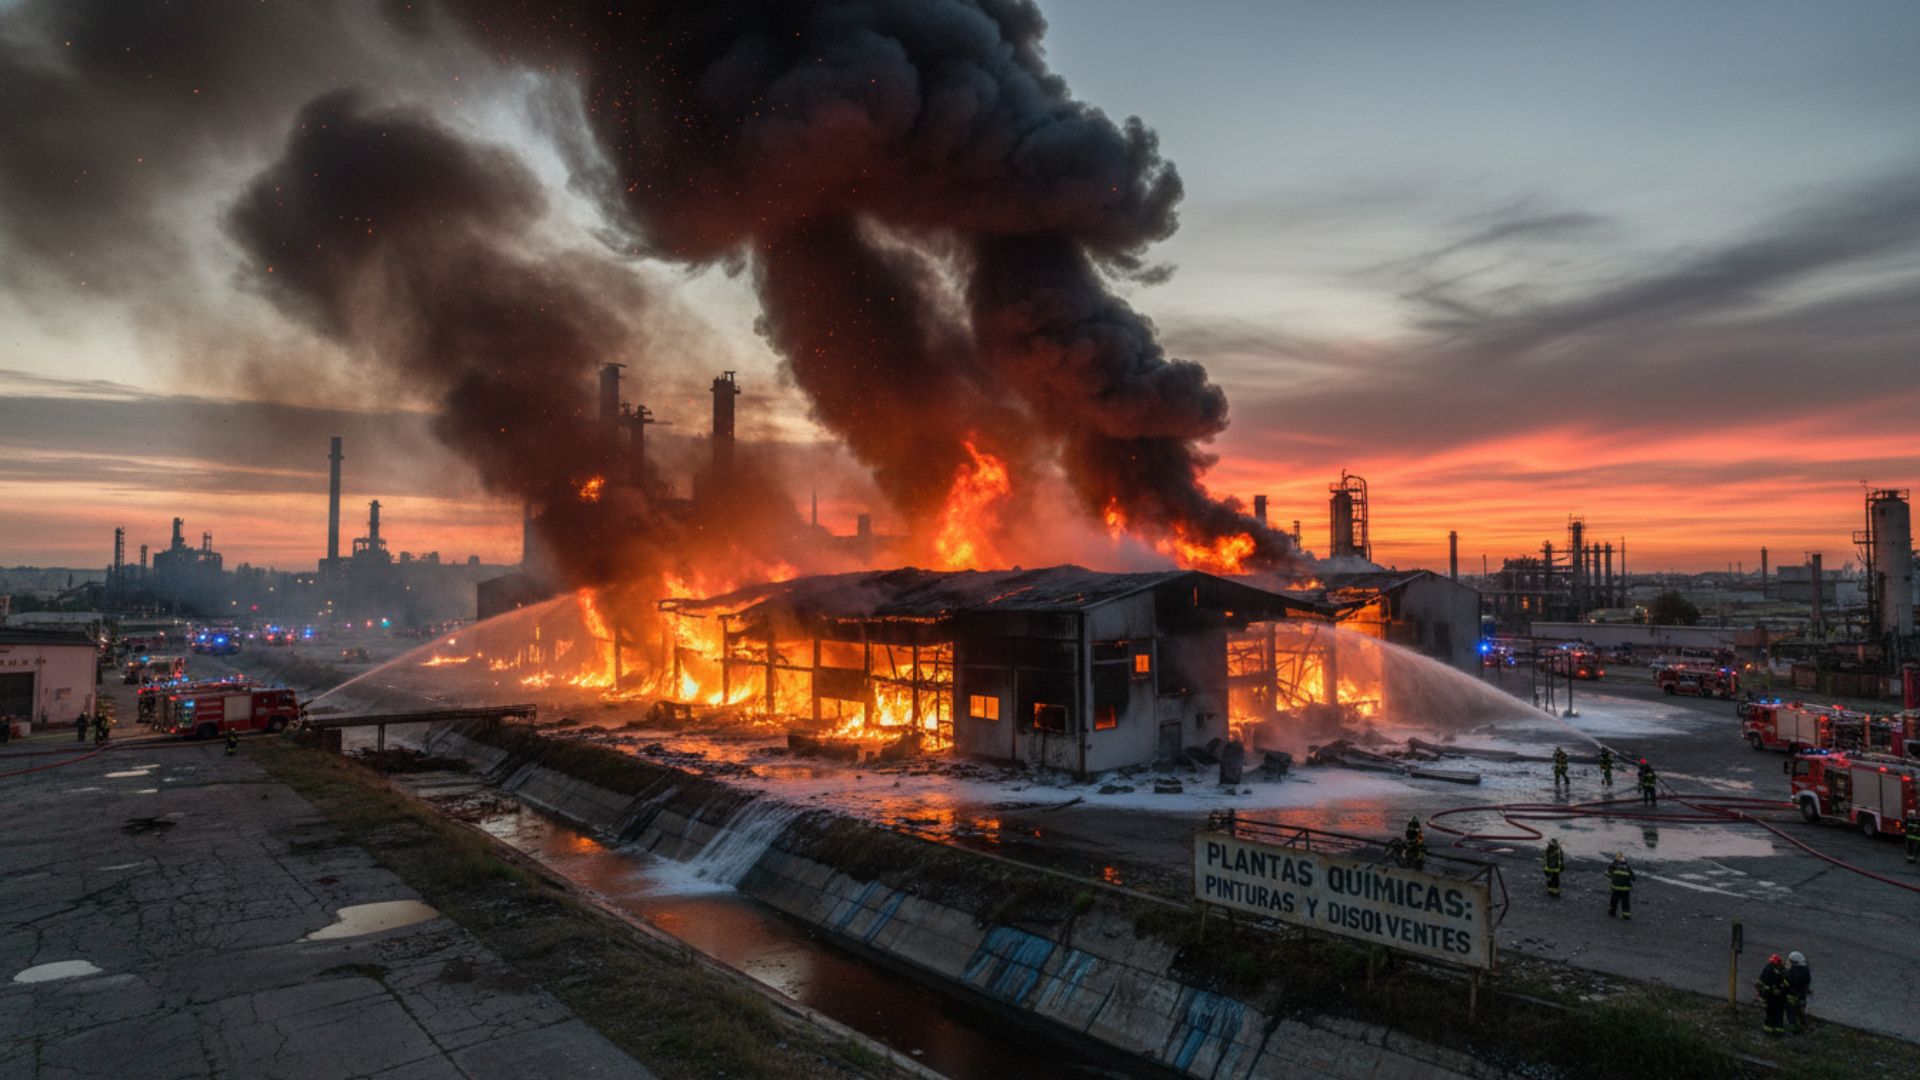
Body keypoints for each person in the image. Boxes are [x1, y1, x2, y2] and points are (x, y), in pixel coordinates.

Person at [1755, 953, 1789, 1035]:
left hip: (1779, 996)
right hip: (1771, 996)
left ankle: (1777, 1028)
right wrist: (1768, 990)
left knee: (1778, 1011)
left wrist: (1781, 988)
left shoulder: (1781, 971)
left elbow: (1785, 982)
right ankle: (1769, 1027)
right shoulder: (1768, 970)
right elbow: (1762, 982)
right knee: (1772, 1011)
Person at [1785, 951, 1811, 1033]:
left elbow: (1789, 982)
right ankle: (1802, 1024)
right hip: (1802, 994)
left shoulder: (1793, 972)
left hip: (1792, 995)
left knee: (1791, 1012)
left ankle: (1793, 1028)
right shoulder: (1805, 969)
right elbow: (1807, 982)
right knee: (1800, 1010)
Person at [1606, 853, 1635, 919]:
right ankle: (1626, 915)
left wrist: (1608, 874)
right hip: (1626, 889)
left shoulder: (1613, 865)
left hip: (1616, 888)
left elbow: (1609, 874)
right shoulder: (1627, 866)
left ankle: (1612, 912)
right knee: (1625, 902)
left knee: (1614, 901)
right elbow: (1633, 878)